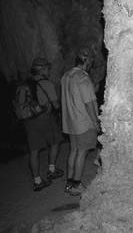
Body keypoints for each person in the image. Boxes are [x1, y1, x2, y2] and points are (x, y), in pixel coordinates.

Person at [61, 48, 99, 196]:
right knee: (82, 153)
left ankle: (69, 185)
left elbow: (74, 96)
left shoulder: (66, 76)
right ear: (86, 61)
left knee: (74, 151)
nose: (91, 65)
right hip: (83, 122)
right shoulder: (83, 78)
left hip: (70, 122)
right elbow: (89, 103)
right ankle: (76, 185)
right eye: (90, 62)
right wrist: (95, 122)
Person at [24, 57, 64, 191]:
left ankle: (37, 180)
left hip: (30, 121)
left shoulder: (26, 83)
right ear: (40, 69)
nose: (49, 70)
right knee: (55, 141)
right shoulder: (46, 84)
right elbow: (56, 105)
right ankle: (51, 170)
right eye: (47, 68)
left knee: (33, 151)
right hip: (45, 119)